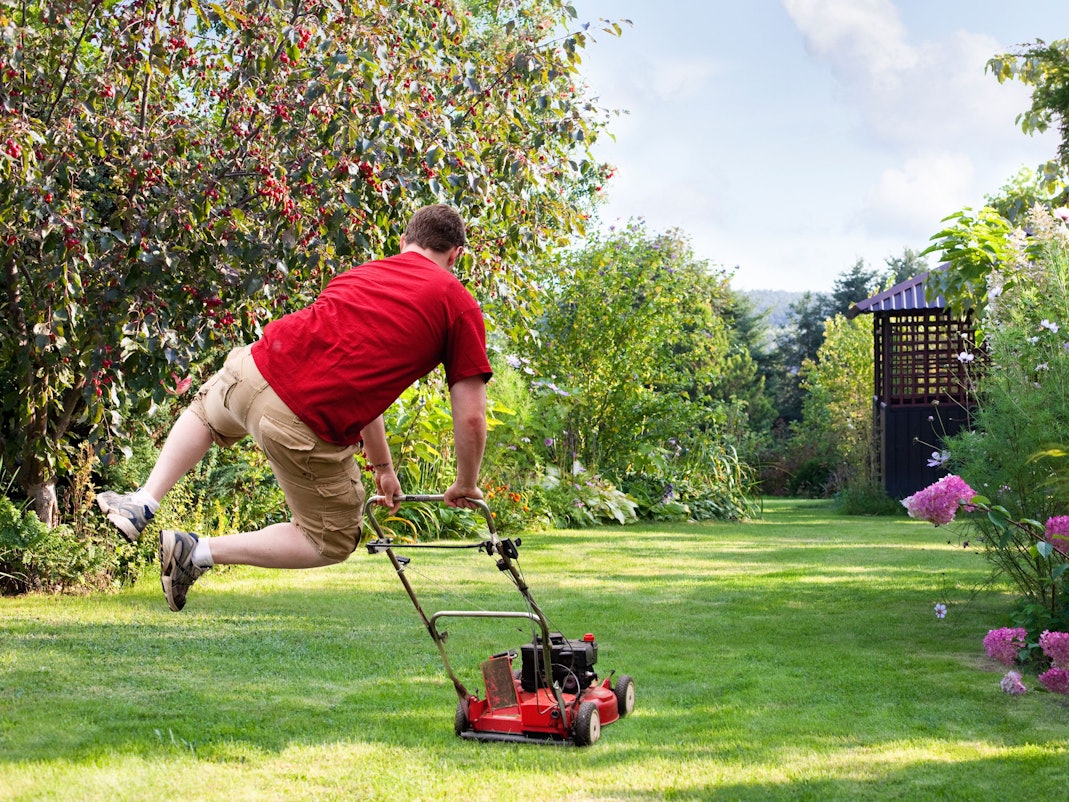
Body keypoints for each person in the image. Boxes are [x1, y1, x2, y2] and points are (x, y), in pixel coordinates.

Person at [97, 204, 493, 612]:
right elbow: (470, 415)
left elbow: (359, 385)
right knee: (332, 539)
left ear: (402, 243)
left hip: (253, 367)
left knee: (203, 411)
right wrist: (465, 483)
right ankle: (197, 552)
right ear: (455, 255)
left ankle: (143, 500)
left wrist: (384, 468)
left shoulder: (363, 274)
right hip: (299, 418)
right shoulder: (455, 302)